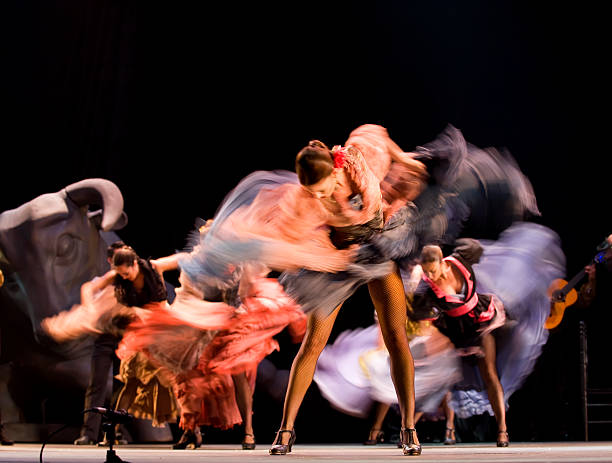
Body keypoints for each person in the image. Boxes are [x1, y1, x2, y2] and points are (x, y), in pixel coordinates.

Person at [118, 220, 307, 450]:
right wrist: (153, 292)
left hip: (227, 323)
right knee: (187, 378)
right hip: (196, 323)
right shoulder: (192, 260)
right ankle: (190, 431)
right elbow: (155, 265)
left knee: (238, 372)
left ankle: (248, 432)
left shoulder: (237, 262)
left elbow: (250, 283)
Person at [410, 222, 565, 447]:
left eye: (432, 271)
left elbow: (483, 253)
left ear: (442, 263)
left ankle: (502, 430)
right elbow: (417, 312)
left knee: (490, 373)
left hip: (480, 323)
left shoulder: (462, 259)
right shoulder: (427, 287)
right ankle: (412, 428)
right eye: (426, 273)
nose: (430, 277)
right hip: (454, 331)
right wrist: (416, 283)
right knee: (440, 380)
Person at [42, 240, 128, 445]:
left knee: (122, 386)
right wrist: (90, 313)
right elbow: (88, 291)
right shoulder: (103, 281)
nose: (121, 263)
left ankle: (115, 433)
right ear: (110, 260)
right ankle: (89, 433)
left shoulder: (129, 279)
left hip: (125, 338)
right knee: (97, 385)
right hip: (104, 338)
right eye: (117, 258)